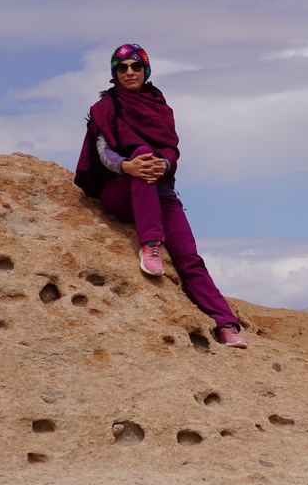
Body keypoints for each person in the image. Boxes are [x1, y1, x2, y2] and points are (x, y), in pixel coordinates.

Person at [74, 43, 247, 348]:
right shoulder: (105, 107)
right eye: (122, 68)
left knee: (190, 258)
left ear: (146, 70)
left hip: (160, 189)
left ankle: (226, 325)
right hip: (120, 190)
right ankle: (151, 244)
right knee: (141, 152)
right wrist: (127, 165)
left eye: (135, 66)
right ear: (115, 73)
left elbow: (171, 150)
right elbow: (103, 152)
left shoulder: (160, 107)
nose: (129, 72)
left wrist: (163, 164)